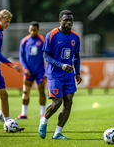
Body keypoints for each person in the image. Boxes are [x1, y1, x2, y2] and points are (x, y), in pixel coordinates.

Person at [38, 10, 82, 140]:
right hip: (54, 74)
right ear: (60, 21)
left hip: (69, 75)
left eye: (71, 20)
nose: (69, 22)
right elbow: (46, 55)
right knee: (57, 102)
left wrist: (77, 73)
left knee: (68, 102)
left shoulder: (75, 37)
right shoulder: (51, 35)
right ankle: (44, 120)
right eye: (66, 20)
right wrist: (61, 65)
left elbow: (77, 56)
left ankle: (57, 132)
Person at [16, 21, 46, 120]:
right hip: (28, 71)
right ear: (29, 30)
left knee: (41, 91)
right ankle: (24, 113)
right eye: (31, 30)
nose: (32, 32)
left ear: (38, 30)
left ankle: (42, 113)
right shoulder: (24, 41)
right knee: (25, 92)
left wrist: (46, 70)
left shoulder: (42, 40)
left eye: (34, 30)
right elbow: (21, 55)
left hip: (40, 71)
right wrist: (25, 68)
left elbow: (47, 55)